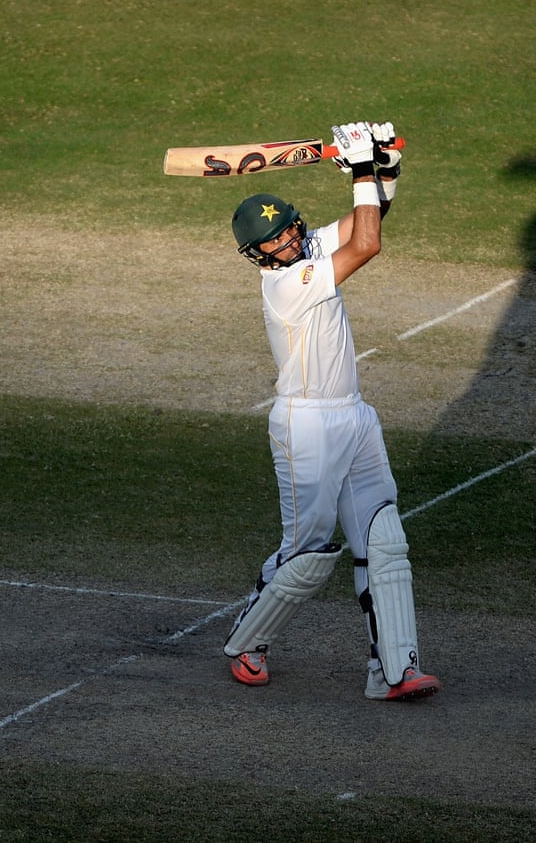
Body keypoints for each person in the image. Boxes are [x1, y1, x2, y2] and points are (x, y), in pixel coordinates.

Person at [221, 121, 441, 701]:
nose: (288, 242)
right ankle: (248, 641)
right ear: (257, 254)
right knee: (310, 555)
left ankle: (395, 670)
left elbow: (368, 220)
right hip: (307, 424)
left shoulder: (308, 248)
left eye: (290, 230)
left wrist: (383, 167)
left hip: (354, 415)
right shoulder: (286, 285)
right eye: (274, 241)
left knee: (385, 539)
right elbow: (366, 245)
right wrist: (361, 171)